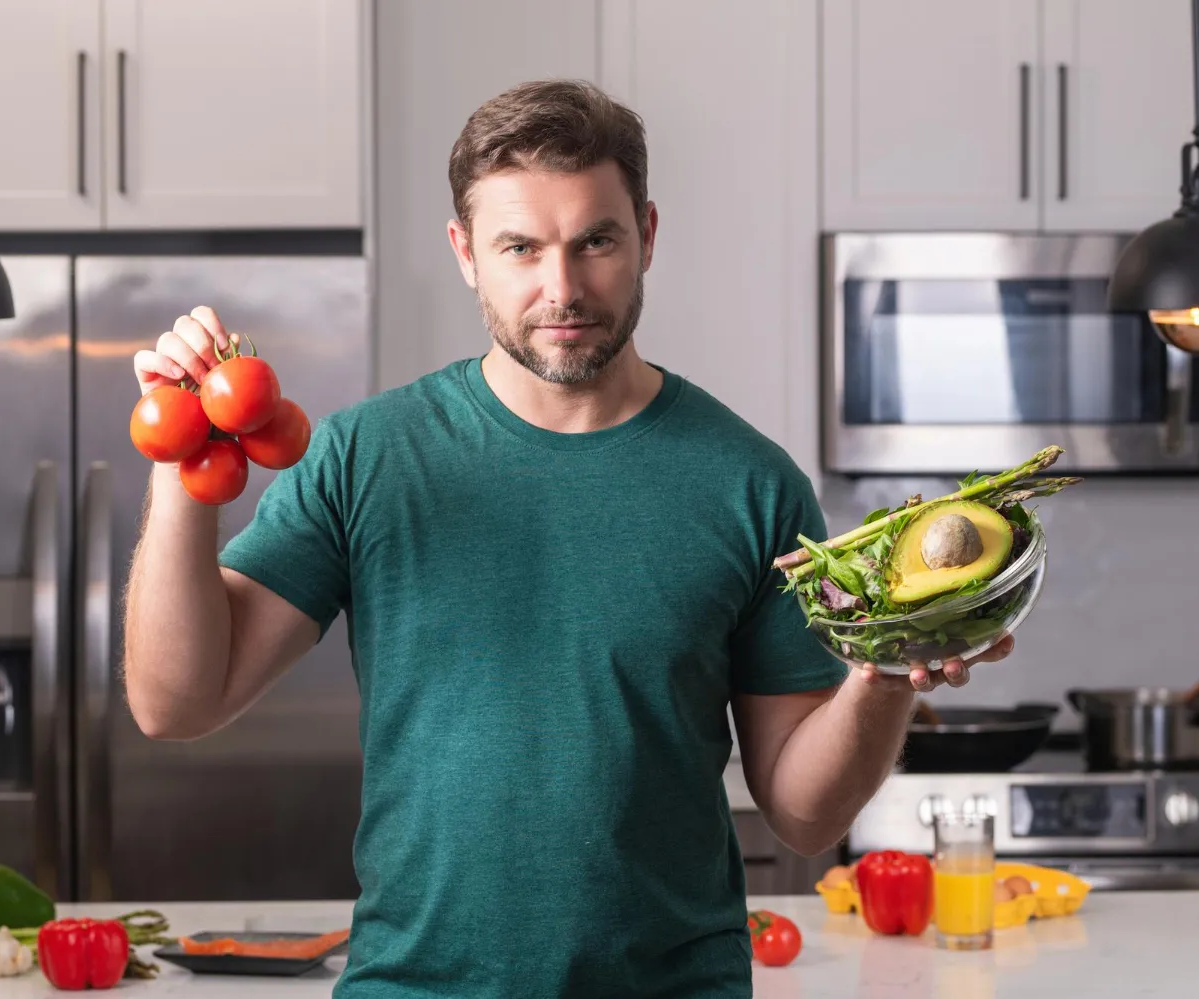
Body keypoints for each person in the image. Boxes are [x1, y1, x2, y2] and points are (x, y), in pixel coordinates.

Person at [122, 79, 1013, 998]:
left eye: (596, 240)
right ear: (465, 253)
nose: (563, 288)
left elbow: (803, 814)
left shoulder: (751, 483)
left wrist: (883, 674)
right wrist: (181, 456)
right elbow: (174, 703)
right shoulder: (366, 456)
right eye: (521, 248)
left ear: (647, 236)